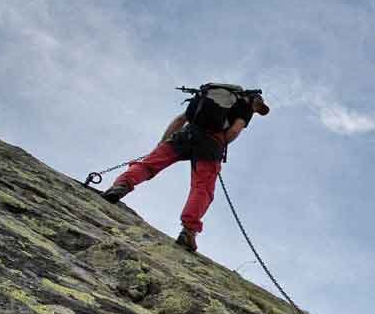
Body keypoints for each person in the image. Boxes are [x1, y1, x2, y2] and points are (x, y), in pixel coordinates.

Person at [103, 86, 269, 251]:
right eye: (259, 106)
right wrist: (219, 144)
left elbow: (180, 119)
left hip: (186, 134)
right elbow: (233, 131)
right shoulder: (245, 107)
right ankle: (189, 231)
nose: (257, 109)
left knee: (149, 165)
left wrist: (162, 143)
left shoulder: (208, 98)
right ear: (254, 99)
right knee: (202, 188)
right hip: (212, 145)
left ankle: (120, 186)